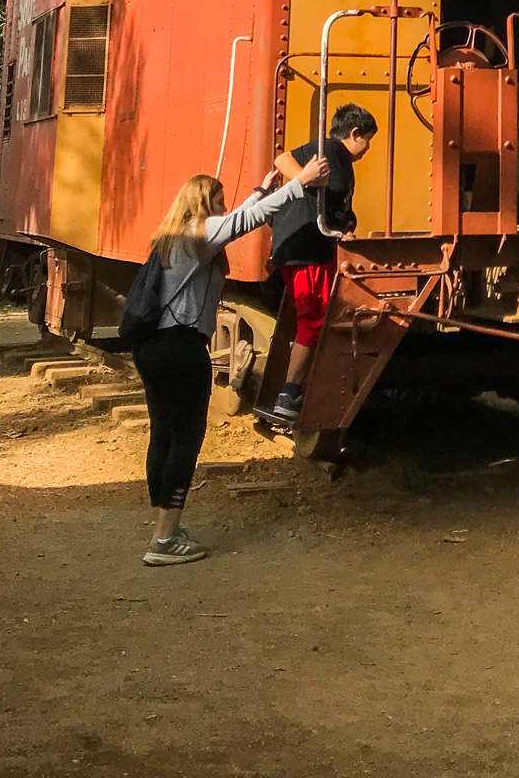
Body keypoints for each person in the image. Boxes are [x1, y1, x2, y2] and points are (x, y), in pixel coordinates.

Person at [133, 157, 319, 567]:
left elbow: (236, 216)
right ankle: (163, 540)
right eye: (218, 200)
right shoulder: (202, 233)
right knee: (187, 437)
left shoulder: (170, 237)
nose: (223, 207)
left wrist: (259, 190)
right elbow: (245, 221)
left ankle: (163, 525)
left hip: (151, 348)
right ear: (204, 203)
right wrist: (298, 183)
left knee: (163, 433)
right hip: (182, 348)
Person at [258, 103, 379, 429]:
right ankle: (289, 395)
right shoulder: (328, 149)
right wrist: (303, 179)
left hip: (313, 245)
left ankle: (294, 391)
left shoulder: (342, 162)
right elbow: (282, 159)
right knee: (314, 319)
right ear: (354, 134)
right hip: (304, 246)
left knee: (317, 316)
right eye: (367, 140)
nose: (367, 149)